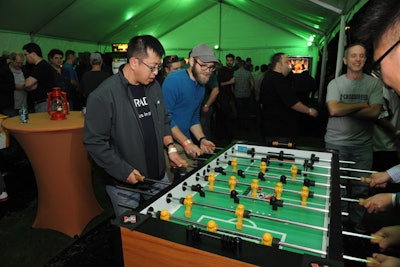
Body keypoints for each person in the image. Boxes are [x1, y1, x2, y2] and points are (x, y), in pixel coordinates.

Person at [83, 35, 186, 217]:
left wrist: (171, 149)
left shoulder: (153, 86)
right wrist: (123, 171)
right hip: (124, 185)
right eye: (152, 67)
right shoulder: (103, 95)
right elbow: (94, 142)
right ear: (134, 62)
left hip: (158, 176)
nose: (156, 72)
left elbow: (163, 121)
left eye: (158, 67)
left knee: (164, 225)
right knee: (134, 235)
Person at [325, 43, 383, 233]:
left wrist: (345, 108)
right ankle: (339, 223)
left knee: (361, 187)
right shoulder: (335, 83)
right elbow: (333, 109)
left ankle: (356, 222)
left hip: (363, 145)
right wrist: (362, 105)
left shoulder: (374, 84)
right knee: (337, 187)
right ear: (345, 60)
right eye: (353, 56)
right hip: (336, 142)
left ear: (365, 60)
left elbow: (374, 113)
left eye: (361, 56)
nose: (357, 59)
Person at [162, 44, 217, 163]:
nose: (207, 71)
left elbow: (194, 118)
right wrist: (186, 143)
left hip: (186, 141)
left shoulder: (201, 86)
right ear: (192, 61)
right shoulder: (173, 80)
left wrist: (202, 139)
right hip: (170, 145)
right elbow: (165, 118)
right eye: (203, 66)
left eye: (211, 67)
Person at [259, 52, 318, 144]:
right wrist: (309, 110)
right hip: (279, 130)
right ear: (279, 64)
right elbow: (293, 103)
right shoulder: (278, 79)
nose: (289, 65)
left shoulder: (270, 77)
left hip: (273, 127)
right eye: (287, 62)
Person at [23, 42, 56, 112]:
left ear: (33, 54)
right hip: (44, 102)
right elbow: (32, 86)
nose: (25, 57)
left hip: (44, 103)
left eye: (26, 55)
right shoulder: (40, 66)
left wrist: (26, 86)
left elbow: (28, 84)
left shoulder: (41, 66)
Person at [215, 53, 236, 144]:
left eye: (231, 61)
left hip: (230, 97)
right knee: (225, 118)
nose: (229, 62)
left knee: (229, 117)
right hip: (223, 97)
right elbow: (219, 84)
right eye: (228, 60)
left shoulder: (234, 70)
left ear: (233, 61)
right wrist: (229, 82)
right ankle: (224, 137)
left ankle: (228, 136)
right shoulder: (222, 70)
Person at [233, 60, 254, 131]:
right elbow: (252, 84)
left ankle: (240, 127)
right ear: (244, 65)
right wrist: (249, 91)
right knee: (246, 112)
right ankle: (246, 126)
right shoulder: (248, 73)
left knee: (239, 111)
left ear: (238, 65)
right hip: (246, 95)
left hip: (237, 94)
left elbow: (233, 83)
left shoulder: (235, 73)